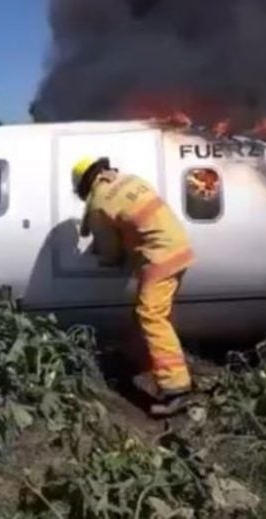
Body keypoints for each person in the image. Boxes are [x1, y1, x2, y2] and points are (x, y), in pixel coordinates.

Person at [71, 157, 196, 409]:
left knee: (150, 315)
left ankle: (176, 389)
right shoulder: (131, 180)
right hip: (178, 246)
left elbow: (111, 252)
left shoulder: (99, 203)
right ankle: (142, 362)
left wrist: (104, 256)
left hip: (160, 256)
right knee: (147, 311)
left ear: (86, 185)